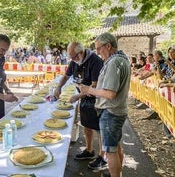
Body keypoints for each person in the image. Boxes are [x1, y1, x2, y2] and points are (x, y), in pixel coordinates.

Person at [79, 32, 131, 177]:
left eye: (98, 48)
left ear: (108, 46)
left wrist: (89, 89)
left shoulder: (114, 62)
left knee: (110, 150)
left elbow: (110, 93)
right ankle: (117, 173)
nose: (97, 52)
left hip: (111, 112)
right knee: (116, 146)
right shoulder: (121, 59)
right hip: (117, 110)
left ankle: (115, 174)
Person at [54, 42, 106, 170]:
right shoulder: (75, 61)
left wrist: (77, 97)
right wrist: (59, 87)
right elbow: (66, 76)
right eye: (70, 57)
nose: (71, 60)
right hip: (83, 97)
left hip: (97, 98)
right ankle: (89, 151)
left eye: (73, 56)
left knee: (99, 129)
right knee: (86, 124)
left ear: (81, 53)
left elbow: (95, 86)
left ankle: (102, 157)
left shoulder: (95, 61)